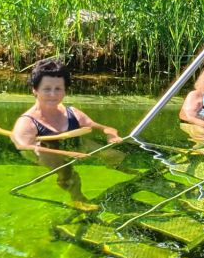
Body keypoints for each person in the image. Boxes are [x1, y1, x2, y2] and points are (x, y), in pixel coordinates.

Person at [11, 58, 122, 210]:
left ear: (65, 90)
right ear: (35, 90)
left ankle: (123, 171)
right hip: (43, 150)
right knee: (68, 172)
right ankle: (78, 199)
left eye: (58, 89)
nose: (52, 94)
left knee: (114, 155)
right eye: (46, 89)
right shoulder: (27, 122)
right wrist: (65, 153)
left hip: (74, 144)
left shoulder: (72, 113)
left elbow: (103, 128)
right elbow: (22, 145)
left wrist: (112, 135)